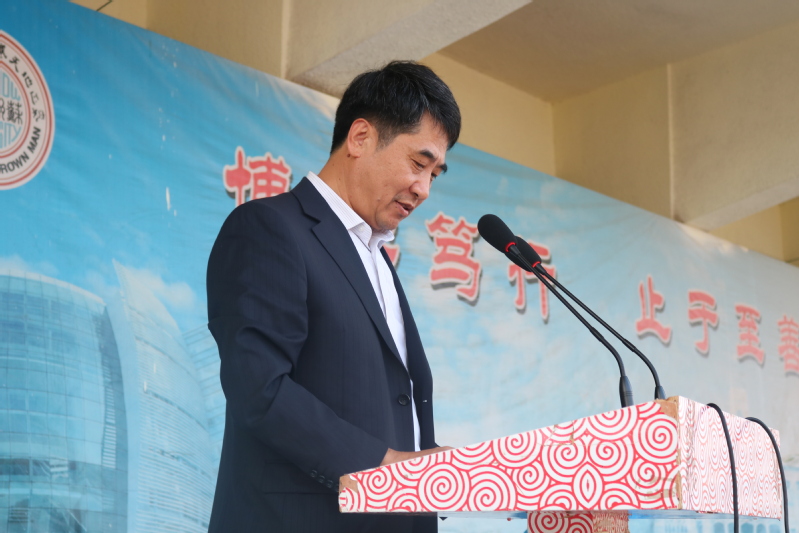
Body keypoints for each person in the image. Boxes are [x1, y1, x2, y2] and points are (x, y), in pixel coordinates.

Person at [205, 61, 461, 533]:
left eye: (435, 174)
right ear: (360, 137)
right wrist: (385, 465)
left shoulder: (378, 260)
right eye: (417, 163)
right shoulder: (270, 228)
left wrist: (431, 472)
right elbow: (259, 387)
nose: (424, 189)